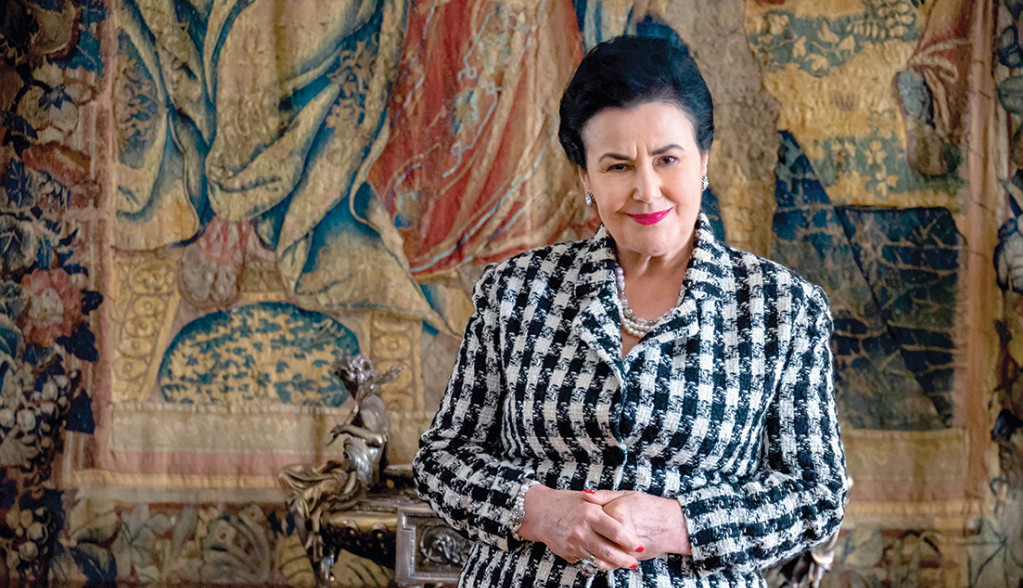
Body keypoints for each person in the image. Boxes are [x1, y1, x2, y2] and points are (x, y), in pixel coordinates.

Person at [413, 35, 848, 587]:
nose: (647, 190)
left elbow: (816, 491)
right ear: (585, 178)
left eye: (668, 159)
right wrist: (537, 511)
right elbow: (443, 458)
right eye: (618, 166)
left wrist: (681, 524)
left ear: (704, 160)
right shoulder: (515, 291)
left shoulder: (781, 308)